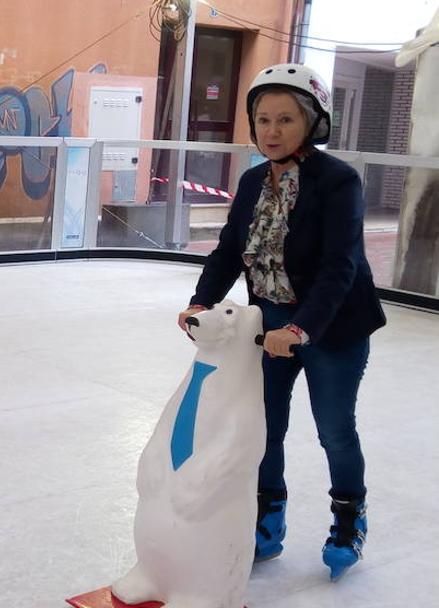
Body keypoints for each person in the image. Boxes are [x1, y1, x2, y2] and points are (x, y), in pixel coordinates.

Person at [177, 63, 386, 580]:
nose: (271, 131)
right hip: (266, 322)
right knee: (264, 427)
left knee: (335, 431)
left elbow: (342, 265)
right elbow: (230, 250)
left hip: (333, 327)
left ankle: (347, 519)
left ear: (312, 122)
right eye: (263, 119)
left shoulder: (338, 181)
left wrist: (299, 329)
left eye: (286, 120)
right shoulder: (252, 181)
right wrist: (202, 301)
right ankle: (267, 516)